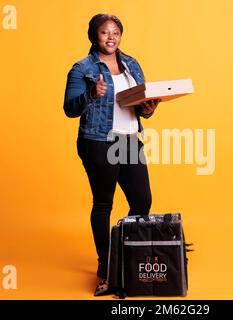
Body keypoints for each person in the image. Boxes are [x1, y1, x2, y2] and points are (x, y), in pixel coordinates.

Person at [63, 13, 160, 296]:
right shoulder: (82, 68)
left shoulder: (131, 65)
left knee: (142, 201)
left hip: (129, 140)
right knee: (104, 204)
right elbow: (70, 109)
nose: (111, 37)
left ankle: (123, 257)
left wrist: (149, 109)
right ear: (94, 36)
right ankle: (106, 267)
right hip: (98, 141)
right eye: (105, 32)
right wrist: (92, 94)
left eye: (115, 32)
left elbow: (139, 105)